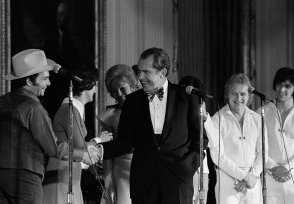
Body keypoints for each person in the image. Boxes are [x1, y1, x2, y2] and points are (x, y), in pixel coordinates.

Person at [94, 47, 208, 204]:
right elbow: (126, 142)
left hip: (178, 182)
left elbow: (201, 139)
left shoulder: (187, 98)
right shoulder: (132, 102)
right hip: (144, 184)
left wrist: (188, 167)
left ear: (162, 72)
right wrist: (100, 150)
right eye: (139, 71)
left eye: (146, 72)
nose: (140, 77)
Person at [0, 49, 99, 204]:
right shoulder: (33, 107)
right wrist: (83, 155)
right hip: (25, 177)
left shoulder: (0, 102)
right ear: (29, 81)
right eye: (45, 79)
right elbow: (53, 147)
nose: (48, 83)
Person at [42, 66, 108, 204]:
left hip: (70, 172)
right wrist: (100, 147)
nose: (95, 90)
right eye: (94, 86)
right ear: (87, 86)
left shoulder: (75, 110)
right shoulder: (69, 110)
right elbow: (82, 148)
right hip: (62, 173)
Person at [204, 73, 266, 204]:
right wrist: (243, 176)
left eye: (243, 93)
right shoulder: (217, 119)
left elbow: (263, 152)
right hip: (228, 184)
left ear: (249, 96)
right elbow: (217, 155)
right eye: (234, 93)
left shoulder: (258, 119)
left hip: (253, 183)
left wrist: (251, 176)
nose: (238, 98)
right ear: (227, 94)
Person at [96, 64, 139, 204]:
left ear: (132, 86)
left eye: (122, 88)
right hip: (121, 172)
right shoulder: (109, 116)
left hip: (147, 170)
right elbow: (107, 155)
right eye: (114, 91)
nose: (119, 94)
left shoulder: (149, 109)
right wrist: (108, 184)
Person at [256, 67, 294, 204]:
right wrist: (274, 167)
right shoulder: (261, 112)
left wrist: (288, 169)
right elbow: (257, 146)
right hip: (270, 177)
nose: (282, 89)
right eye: (279, 84)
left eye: (287, 86)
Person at [178, 75, 210, 204]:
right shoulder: (177, 114)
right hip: (183, 167)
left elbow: (210, 142)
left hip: (202, 170)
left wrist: (204, 118)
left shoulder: (204, 116)